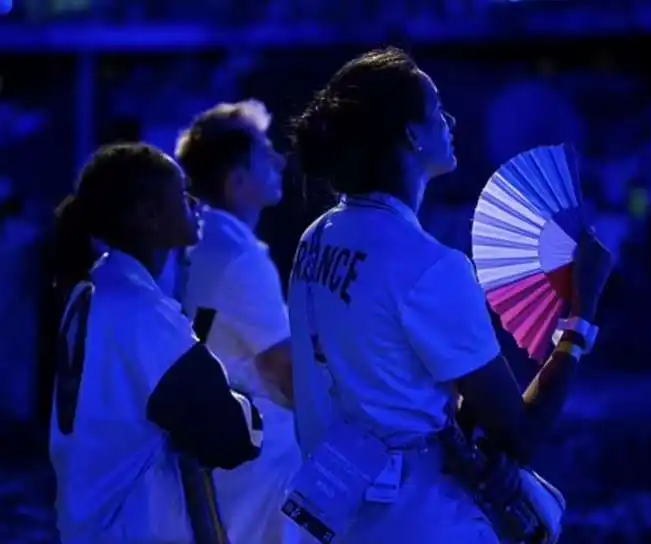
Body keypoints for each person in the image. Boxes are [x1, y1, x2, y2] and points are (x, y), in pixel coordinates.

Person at [287, 47, 614, 543]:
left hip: (342, 517)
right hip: (425, 520)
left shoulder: (316, 239)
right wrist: (581, 314)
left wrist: (469, 438)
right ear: (411, 135)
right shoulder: (430, 266)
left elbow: (387, 378)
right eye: (437, 109)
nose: (450, 120)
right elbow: (521, 434)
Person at [48, 142, 264, 544]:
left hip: (90, 523)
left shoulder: (95, 287)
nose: (193, 201)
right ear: (149, 215)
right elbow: (230, 437)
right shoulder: (142, 313)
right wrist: (248, 399)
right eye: (181, 194)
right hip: (129, 527)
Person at [175, 100, 306, 544]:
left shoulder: (200, 240)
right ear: (236, 181)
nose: (279, 161)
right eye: (264, 154)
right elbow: (282, 369)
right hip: (259, 459)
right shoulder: (239, 258)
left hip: (224, 450)